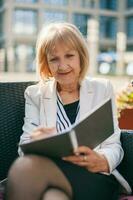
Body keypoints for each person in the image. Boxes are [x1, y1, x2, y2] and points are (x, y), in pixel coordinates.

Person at [6, 22, 129, 200]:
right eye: (54, 59)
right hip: (51, 173)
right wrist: (36, 141)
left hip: (95, 177)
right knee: (52, 197)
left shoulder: (102, 88)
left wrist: (102, 161)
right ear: (46, 63)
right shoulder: (35, 95)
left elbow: (113, 144)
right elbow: (24, 147)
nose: (62, 66)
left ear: (81, 57)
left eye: (69, 56)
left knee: (24, 167)